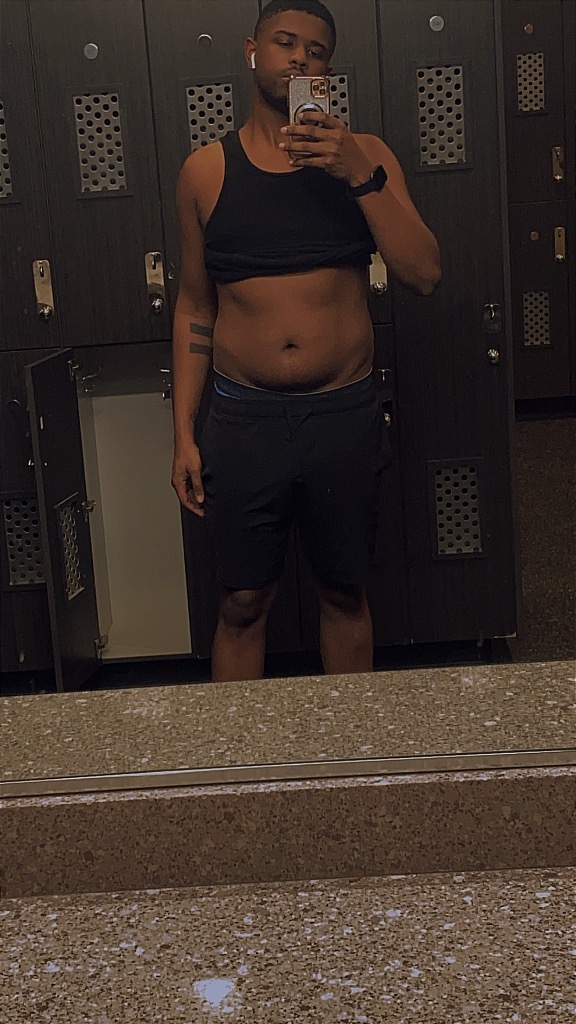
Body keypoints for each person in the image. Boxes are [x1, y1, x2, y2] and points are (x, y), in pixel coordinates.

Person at [171, 0, 441, 682]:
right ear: (251, 52)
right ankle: (240, 751)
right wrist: (183, 434)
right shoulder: (205, 171)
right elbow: (195, 306)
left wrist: (358, 173)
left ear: (328, 67)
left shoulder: (367, 156)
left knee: (344, 595)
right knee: (240, 604)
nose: (299, 57)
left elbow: (424, 274)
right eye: (285, 43)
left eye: (315, 50)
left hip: (342, 414)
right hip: (244, 420)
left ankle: (350, 746)